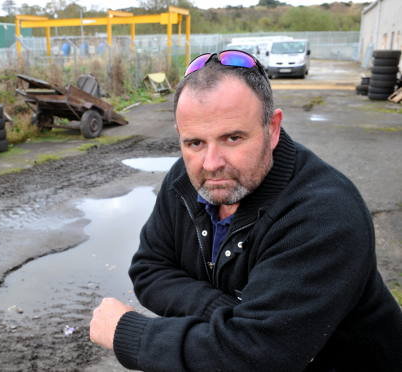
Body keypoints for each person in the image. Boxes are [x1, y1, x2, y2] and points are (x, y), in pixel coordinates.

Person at [89, 50, 402, 372]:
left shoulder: (324, 213)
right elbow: (150, 269)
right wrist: (226, 313)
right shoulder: (184, 180)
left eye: (232, 138)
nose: (211, 164)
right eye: (194, 142)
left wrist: (129, 333)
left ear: (273, 128)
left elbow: (257, 355)